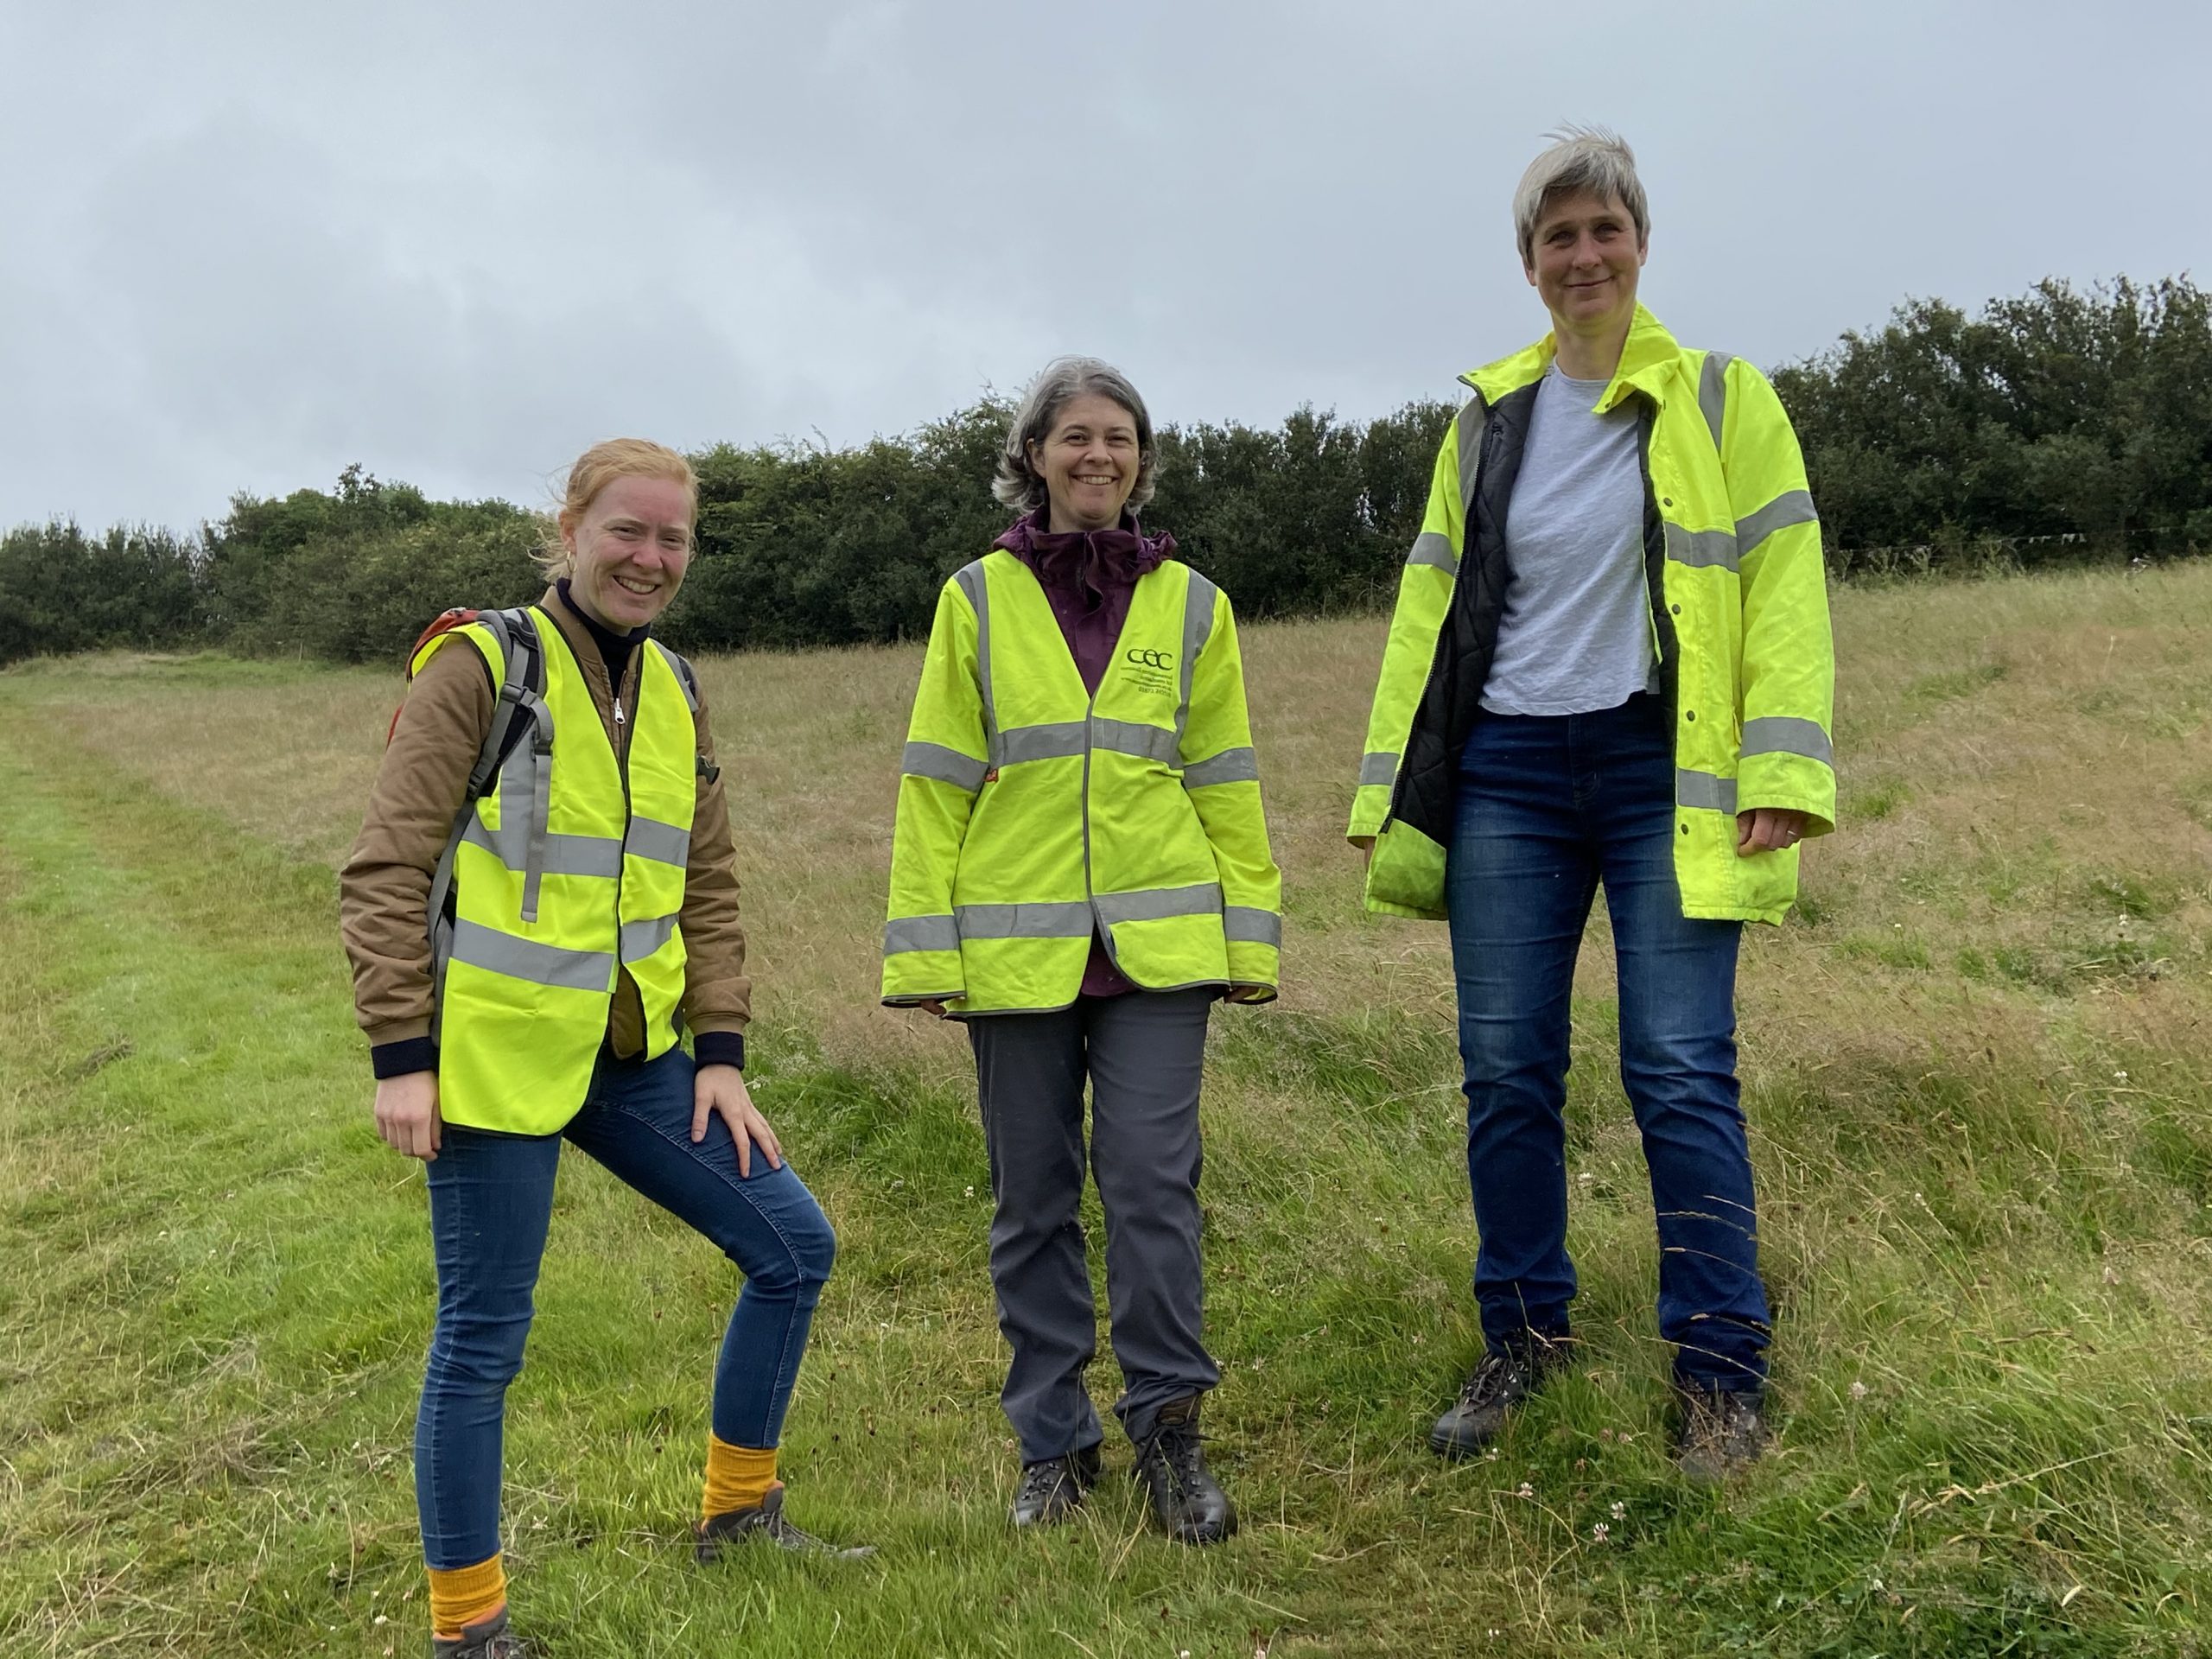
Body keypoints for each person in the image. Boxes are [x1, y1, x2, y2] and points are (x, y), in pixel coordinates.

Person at [1347, 128, 1836, 1480]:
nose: (1583, 255)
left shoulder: (1724, 398)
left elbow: (1786, 589)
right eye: (1557, 237)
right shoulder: (1486, 420)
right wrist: (1395, 785)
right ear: (1529, 264)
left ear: (1640, 245)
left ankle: (1722, 1369)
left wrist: (1783, 775)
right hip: (1507, 770)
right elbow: (1430, 608)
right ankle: (1522, 1341)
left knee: (1677, 1068)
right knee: (1507, 1072)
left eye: (1603, 231)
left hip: (1654, 769)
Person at [340, 439, 864, 1659]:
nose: (650, 557)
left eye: (673, 539)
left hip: (635, 1058)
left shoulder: (676, 687)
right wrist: (400, 1054)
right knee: (483, 1340)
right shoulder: (483, 667)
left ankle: (739, 1516)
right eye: (628, 531)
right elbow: (385, 869)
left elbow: (711, 883)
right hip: (495, 1064)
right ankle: (471, 1632)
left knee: (793, 1246)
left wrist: (720, 1050)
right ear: (569, 529)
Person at [881, 358, 1282, 1542]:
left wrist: (1248, 934)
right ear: (1036, 456)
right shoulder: (976, 597)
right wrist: (925, 952)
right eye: (1075, 437)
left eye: (1118, 438)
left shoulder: (1195, 605)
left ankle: (1170, 1433)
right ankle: (1053, 1446)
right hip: (1015, 954)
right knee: (1033, 1203)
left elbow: (1227, 777)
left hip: (1162, 956)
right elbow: (935, 779)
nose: (1097, 455)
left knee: (1155, 1189)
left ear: (1142, 461)